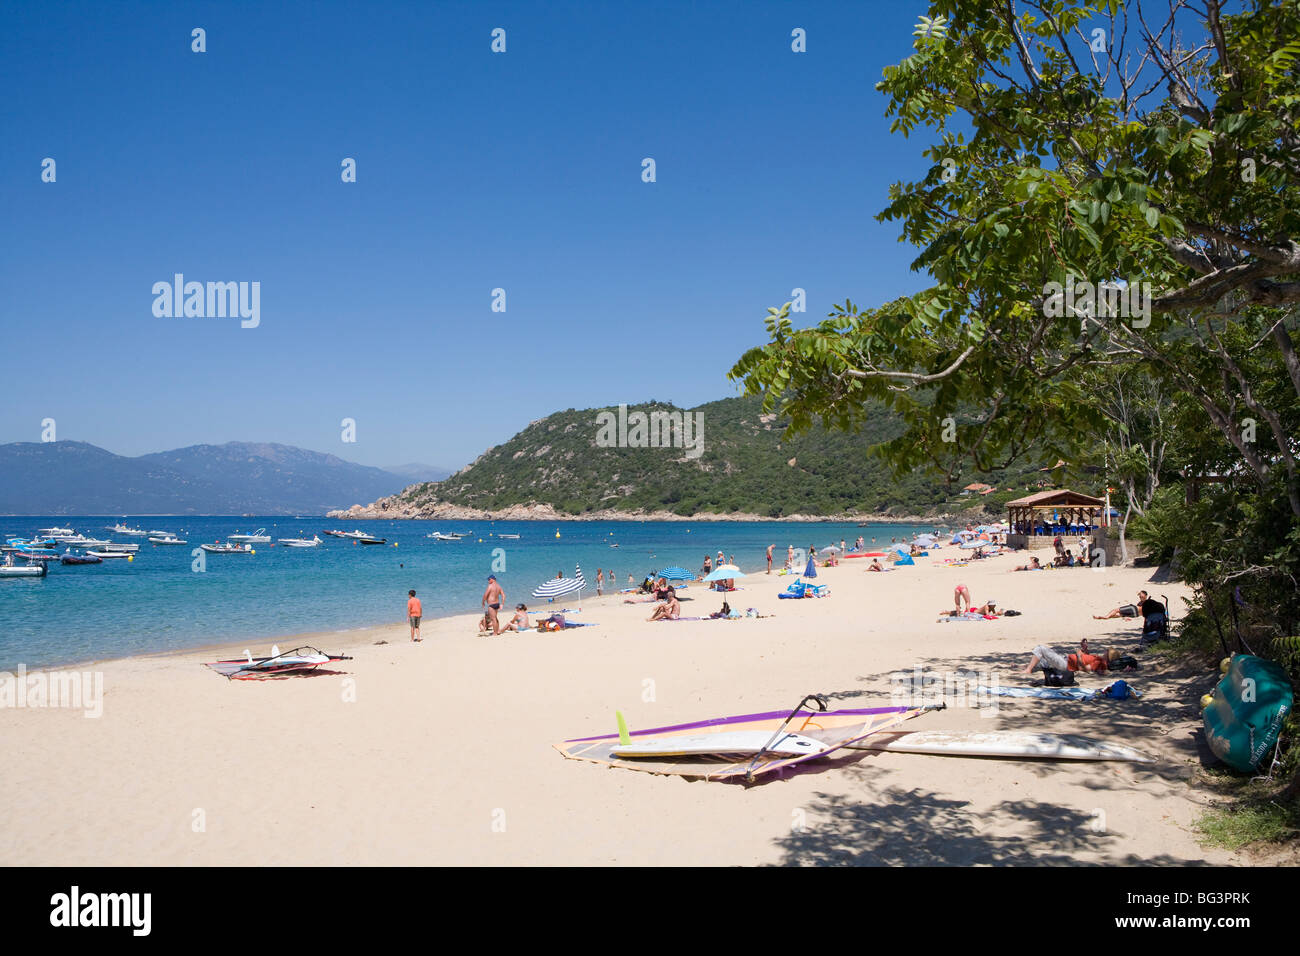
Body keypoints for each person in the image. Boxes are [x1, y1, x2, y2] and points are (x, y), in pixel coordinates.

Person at [1094, 590, 1161, 619]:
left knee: (1116, 610)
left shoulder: (1147, 601)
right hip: (1135, 615)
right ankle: (1106, 617)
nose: (1140, 596)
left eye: (1141, 594)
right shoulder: (1143, 602)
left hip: (1134, 610)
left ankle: (1106, 617)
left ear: (1145, 595)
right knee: (1119, 614)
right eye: (1139, 595)